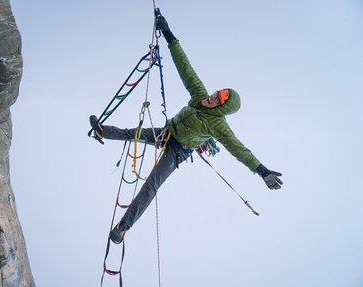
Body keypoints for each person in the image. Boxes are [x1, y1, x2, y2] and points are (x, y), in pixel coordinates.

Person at [89, 13, 283, 244]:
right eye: (217, 93)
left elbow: (239, 149)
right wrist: (169, 34)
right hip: (167, 132)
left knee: (152, 184)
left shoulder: (218, 125)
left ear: (223, 107)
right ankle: (102, 132)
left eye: (219, 99)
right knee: (133, 133)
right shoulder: (199, 95)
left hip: (177, 151)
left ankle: (123, 228)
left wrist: (262, 171)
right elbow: (185, 67)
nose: (212, 97)